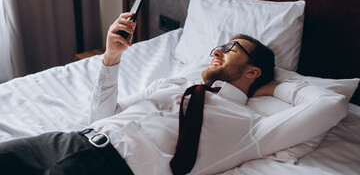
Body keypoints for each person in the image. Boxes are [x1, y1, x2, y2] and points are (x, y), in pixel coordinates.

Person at [0, 13, 348, 175]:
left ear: (253, 70)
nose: (218, 49)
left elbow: (331, 103)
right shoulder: (173, 84)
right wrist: (111, 59)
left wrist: (276, 84)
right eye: (219, 44)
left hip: (111, 170)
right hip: (67, 140)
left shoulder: (251, 127)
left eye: (232, 48)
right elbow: (102, 117)